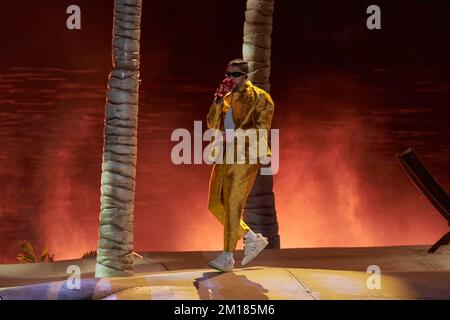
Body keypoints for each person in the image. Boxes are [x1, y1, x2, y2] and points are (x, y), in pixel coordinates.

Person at [206, 58, 275, 272]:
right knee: (215, 205)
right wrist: (217, 100)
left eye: (235, 75)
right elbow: (210, 123)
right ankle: (251, 237)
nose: (230, 78)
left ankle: (228, 256)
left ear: (246, 76)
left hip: (246, 156)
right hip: (224, 155)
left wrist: (235, 137)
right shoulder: (225, 98)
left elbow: (262, 130)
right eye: (228, 74)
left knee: (234, 203)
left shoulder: (260, 98)